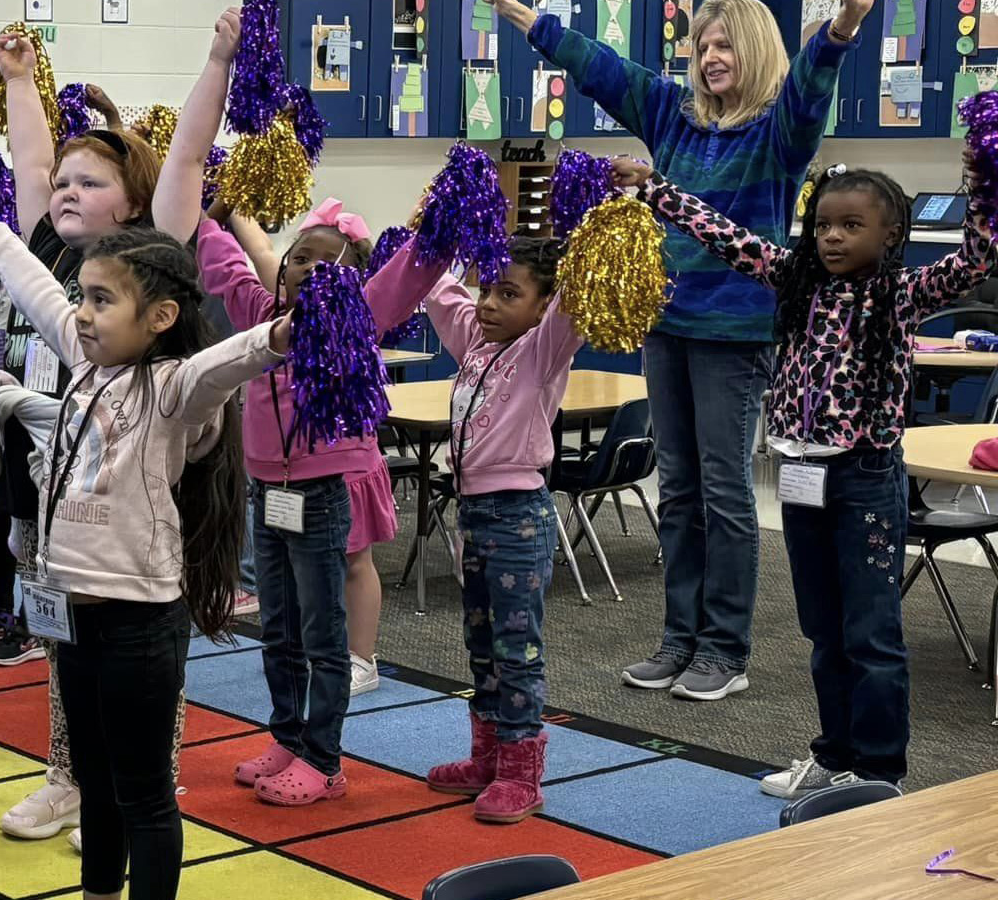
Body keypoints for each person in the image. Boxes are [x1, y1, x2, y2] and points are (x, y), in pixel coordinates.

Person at [493, 0, 870, 701]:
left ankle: (725, 651)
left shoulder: (776, 133)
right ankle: (679, 638)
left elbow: (810, 89)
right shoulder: (673, 117)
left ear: (754, 50)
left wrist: (840, 32)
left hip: (734, 337)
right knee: (678, 492)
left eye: (724, 45)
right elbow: (606, 70)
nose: (710, 57)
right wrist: (531, 20)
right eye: (701, 47)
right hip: (667, 326)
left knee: (725, 496)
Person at [614, 155, 995, 796]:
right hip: (801, 478)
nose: (833, 238)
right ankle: (834, 755)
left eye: (851, 225)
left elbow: (976, 261)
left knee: (870, 633)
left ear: (891, 236)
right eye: (823, 225)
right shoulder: (797, 281)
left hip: (865, 480)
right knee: (821, 627)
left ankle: (877, 772)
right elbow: (723, 234)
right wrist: (652, 189)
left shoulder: (901, 293)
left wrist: (985, 180)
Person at [0, 169, 285, 894]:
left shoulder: (171, 389)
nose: (82, 313)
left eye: (103, 300)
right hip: (72, 624)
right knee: (96, 779)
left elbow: (226, 362)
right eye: (85, 295)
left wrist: (281, 333)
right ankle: (99, 891)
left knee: (142, 793)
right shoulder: (84, 367)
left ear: (162, 317)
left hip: (140, 622)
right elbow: (38, 292)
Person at [0, 20, 192, 846]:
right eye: (61, 182)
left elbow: (185, 163)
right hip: (45, 484)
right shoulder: (44, 246)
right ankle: (70, 777)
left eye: (90, 183)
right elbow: (32, 164)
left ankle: (145, 777)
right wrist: (21, 79)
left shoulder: (147, 262)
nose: (65, 192)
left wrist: (214, 60)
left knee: (136, 656)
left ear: (134, 204)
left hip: (124, 511)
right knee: (59, 638)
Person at [366, 232, 583, 824]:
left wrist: (597, 224)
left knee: (518, 651)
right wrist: (428, 232)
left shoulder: (543, 350)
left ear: (543, 307)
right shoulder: (477, 347)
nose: (487, 303)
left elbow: (574, 301)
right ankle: (486, 757)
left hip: (518, 517)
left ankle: (520, 769)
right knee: (481, 644)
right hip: (474, 515)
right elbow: (439, 292)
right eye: (487, 288)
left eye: (507, 294)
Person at [209, 203, 392, 694]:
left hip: (344, 469)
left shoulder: (359, 318)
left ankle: (360, 657)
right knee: (292, 570)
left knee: (353, 561)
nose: (312, 268)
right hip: (278, 478)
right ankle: (310, 651)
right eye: (302, 257)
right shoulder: (263, 314)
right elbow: (231, 260)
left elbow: (410, 275)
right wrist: (217, 211)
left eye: (328, 263)